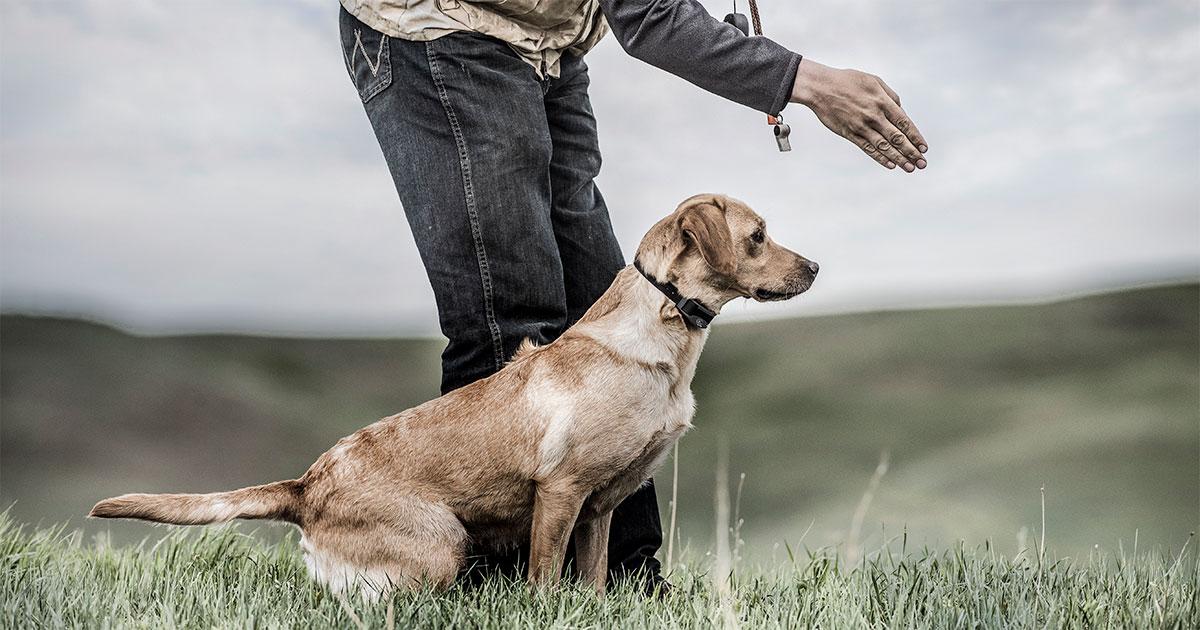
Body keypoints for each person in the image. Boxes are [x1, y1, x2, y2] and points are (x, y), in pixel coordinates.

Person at [337, 0, 926, 591]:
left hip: (549, 45)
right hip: (439, 33)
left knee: (607, 308)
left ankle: (624, 586)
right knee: (510, 316)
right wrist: (810, 82)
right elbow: (650, 14)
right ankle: (507, 593)